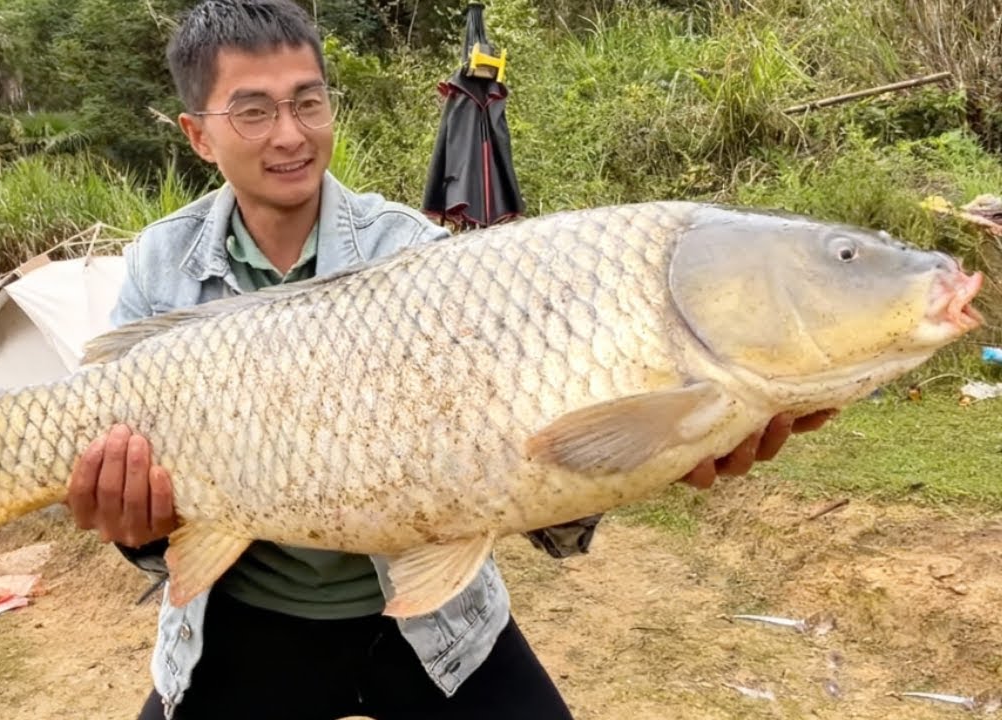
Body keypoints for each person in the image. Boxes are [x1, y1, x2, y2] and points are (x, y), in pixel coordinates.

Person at [65, 1, 835, 718]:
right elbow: (146, 532)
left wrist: (652, 451)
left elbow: (515, 451)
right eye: (253, 110)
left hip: (433, 623)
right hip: (241, 618)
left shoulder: (417, 256)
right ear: (198, 133)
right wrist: (138, 530)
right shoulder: (160, 265)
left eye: (308, 101)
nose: (291, 134)